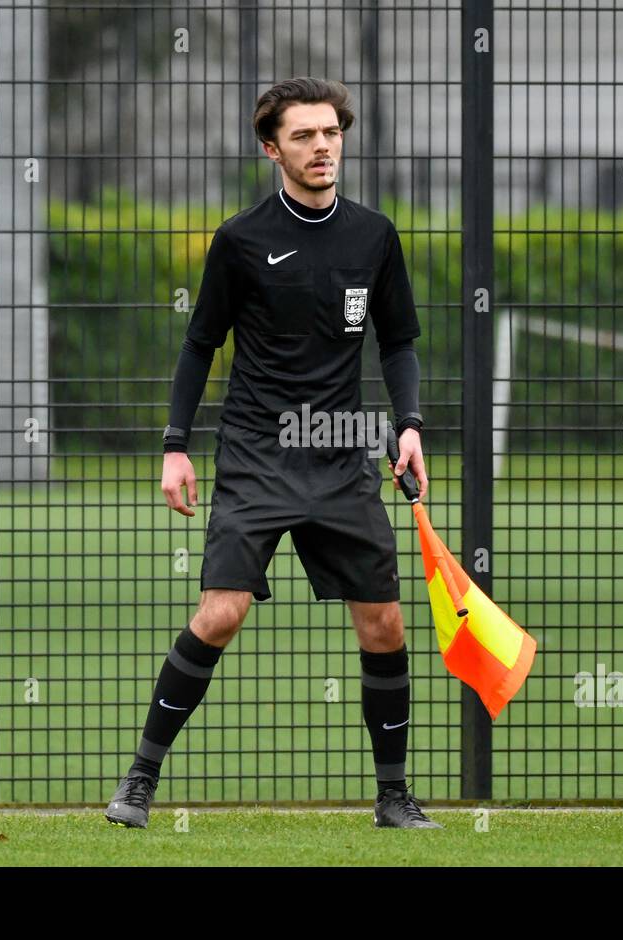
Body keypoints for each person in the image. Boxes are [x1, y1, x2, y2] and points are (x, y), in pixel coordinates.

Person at [106, 77, 439, 829]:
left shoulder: (374, 235)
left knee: (384, 624)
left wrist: (409, 424)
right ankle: (139, 781)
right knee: (220, 613)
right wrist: (175, 446)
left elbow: (400, 342)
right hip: (257, 454)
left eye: (331, 133)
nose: (322, 147)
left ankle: (393, 798)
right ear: (272, 149)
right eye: (303, 136)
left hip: (342, 451)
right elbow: (200, 345)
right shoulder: (241, 240)